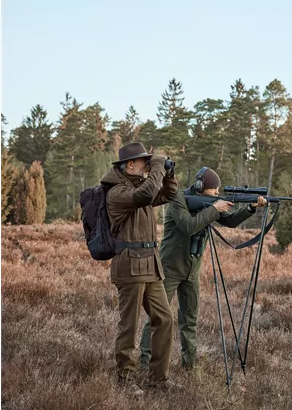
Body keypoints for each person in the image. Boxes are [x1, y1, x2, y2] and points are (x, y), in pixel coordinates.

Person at [140, 167, 267, 371]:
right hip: (169, 270)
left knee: (189, 320)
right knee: (157, 318)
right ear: (200, 187)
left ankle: (189, 366)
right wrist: (215, 208)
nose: (217, 194)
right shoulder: (177, 199)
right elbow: (189, 225)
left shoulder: (211, 205)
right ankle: (144, 364)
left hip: (192, 272)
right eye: (213, 190)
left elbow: (231, 221)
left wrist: (251, 208)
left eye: (218, 191)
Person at [101, 142, 178, 392]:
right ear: (129, 165)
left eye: (149, 161)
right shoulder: (118, 193)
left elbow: (167, 194)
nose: (147, 165)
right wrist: (156, 165)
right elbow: (146, 194)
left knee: (164, 319)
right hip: (130, 266)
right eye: (143, 161)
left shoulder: (139, 187)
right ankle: (125, 379)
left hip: (150, 265)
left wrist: (168, 173)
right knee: (129, 326)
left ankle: (158, 378)